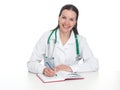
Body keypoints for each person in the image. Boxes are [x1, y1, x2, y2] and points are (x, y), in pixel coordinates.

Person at [27, 4, 99, 77]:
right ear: (59, 18)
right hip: (50, 83)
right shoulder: (46, 37)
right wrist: (43, 69)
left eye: (71, 19)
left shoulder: (80, 41)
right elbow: (31, 63)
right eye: (64, 17)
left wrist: (71, 68)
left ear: (75, 22)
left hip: (72, 84)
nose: (66, 23)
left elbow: (94, 64)